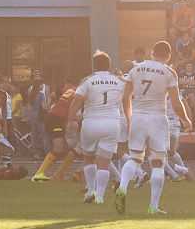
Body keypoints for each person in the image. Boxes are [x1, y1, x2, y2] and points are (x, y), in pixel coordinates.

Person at [114, 40, 187, 216]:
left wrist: (130, 119)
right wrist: (186, 120)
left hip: (138, 117)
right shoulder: (169, 72)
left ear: (152, 53)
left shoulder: (136, 69)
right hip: (157, 118)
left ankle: (122, 187)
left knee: (134, 159)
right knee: (158, 163)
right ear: (168, 57)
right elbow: (176, 103)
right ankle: (153, 206)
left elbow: (125, 98)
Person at [68, 53, 126, 204]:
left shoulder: (88, 80)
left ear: (94, 65)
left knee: (88, 157)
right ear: (109, 65)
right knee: (104, 162)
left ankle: (90, 191)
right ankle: (99, 197)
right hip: (111, 124)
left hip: (91, 123)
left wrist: (70, 121)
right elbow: (130, 98)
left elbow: (76, 102)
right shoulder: (119, 81)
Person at [32, 80, 77, 183]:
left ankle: (59, 173)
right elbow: (72, 107)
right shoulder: (80, 92)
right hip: (56, 119)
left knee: (65, 149)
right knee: (59, 148)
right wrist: (75, 119)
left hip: (55, 118)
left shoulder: (72, 90)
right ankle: (39, 174)